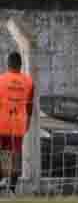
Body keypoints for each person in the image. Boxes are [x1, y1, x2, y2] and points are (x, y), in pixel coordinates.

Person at [0, 51, 35, 193]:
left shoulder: (1, 80)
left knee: (4, 152)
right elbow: (29, 104)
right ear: (20, 65)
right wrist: (28, 120)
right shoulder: (29, 82)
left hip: (2, 121)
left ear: (8, 64)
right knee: (16, 152)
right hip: (19, 122)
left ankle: (3, 181)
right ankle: (12, 187)